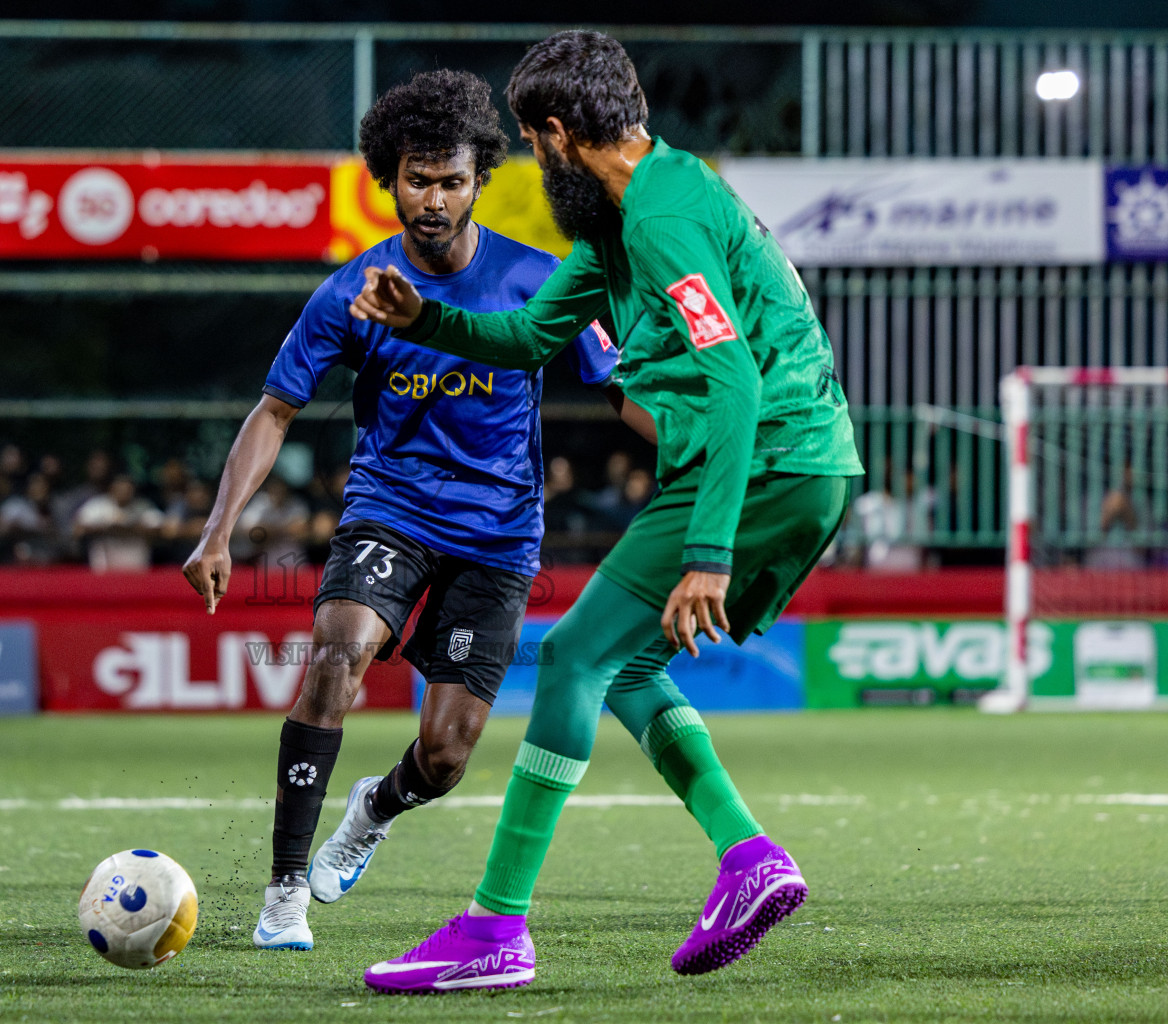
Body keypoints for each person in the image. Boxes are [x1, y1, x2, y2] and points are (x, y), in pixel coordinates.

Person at [349, 31, 863, 992]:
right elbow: (530, 335)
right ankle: (747, 858)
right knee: (623, 667)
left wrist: (708, 553)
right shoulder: (629, 218)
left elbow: (737, 379)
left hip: (763, 462)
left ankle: (496, 929)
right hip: (805, 469)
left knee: (575, 657)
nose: (535, 166)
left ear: (554, 135)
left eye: (532, 147)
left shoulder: (661, 218)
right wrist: (426, 319)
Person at [183, 69, 650, 954]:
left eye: (451, 180)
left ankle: (374, 809)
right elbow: (275, 408)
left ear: (481, 181)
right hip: (389, 511)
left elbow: (621, 391)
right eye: (416, 179)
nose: (432, 200)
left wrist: (713, 455)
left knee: (445, 755)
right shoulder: (351, 290)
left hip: (501, 534)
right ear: (389, 181)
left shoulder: (540, 281)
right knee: (336, 653)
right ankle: (283, 891)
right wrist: (218, 532)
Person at [74, 473, 163, 571]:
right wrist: (107, 527)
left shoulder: (143, 507)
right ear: (112, 489)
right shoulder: (97, 505)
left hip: (136, 566)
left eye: (128, 490)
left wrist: (127, 527)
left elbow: (161, 529)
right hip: (104, 567)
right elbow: (78, 529)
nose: (124, 493)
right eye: (120, 489)